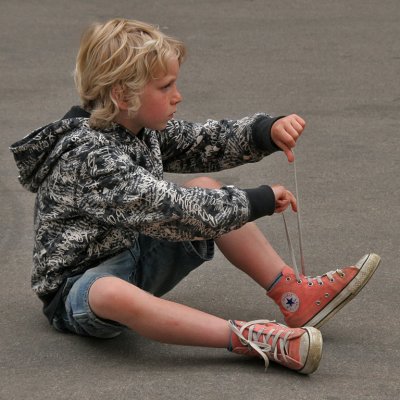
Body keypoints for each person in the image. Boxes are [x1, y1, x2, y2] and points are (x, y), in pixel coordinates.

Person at [10, 18, 380, 375]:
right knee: (110, 291)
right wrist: (257, 201)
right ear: (123, 95)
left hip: (133, 253)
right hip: (78, 290)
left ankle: (293, 296)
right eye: (166, 86)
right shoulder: (87, 157)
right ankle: (250, 339)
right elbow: (170, 210)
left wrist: (265, 132)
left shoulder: (136, 126)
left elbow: (203, 141)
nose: (178, 96)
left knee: (205, 187)